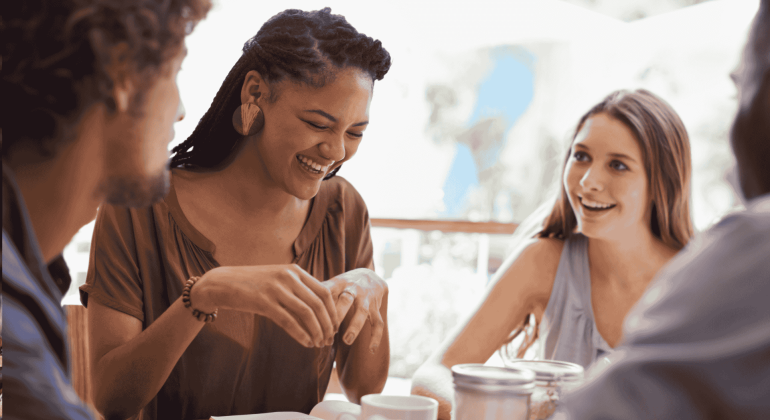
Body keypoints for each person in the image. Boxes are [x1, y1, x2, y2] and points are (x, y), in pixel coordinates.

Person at [80, 8, 392, 420]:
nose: (336, 151)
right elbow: (111, 398)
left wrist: (374, 296)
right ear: (255, 93)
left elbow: (364, 389)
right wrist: (205, 294)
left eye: (355, 133)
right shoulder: (140, 204)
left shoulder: (343, 210)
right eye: (318, 124)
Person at [411, 89, 694, 419]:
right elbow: (433, 376)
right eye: (581, 156)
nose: (589, 182)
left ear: (661, 181)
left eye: (618, 165)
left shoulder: (699, 278)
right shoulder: (542, 262)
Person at [553, 2, 770, 418]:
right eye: (580, 156)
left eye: (741, 89)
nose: (589, 181)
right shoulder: (551, 258)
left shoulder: (748, 248)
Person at [1, 0, 210, 418]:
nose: (181, 110)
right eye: (176, 73)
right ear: (122, 74)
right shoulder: (11, 326)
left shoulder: (28, 269)